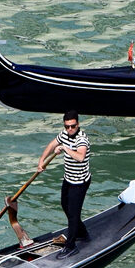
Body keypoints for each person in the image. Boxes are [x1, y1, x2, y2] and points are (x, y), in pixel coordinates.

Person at [38, 110, 91, 258]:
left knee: (74, 215)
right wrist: (42, 160)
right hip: (68, 179)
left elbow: (80, 157)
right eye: (67, 126)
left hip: (80, 182)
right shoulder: (64, 134)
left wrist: (65, 148)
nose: (70, 129)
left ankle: (71, 246)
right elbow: (51, 145)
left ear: (78, 124)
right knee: (65, 206)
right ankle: (83, 233)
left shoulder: (82, 139)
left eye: (72, 126)